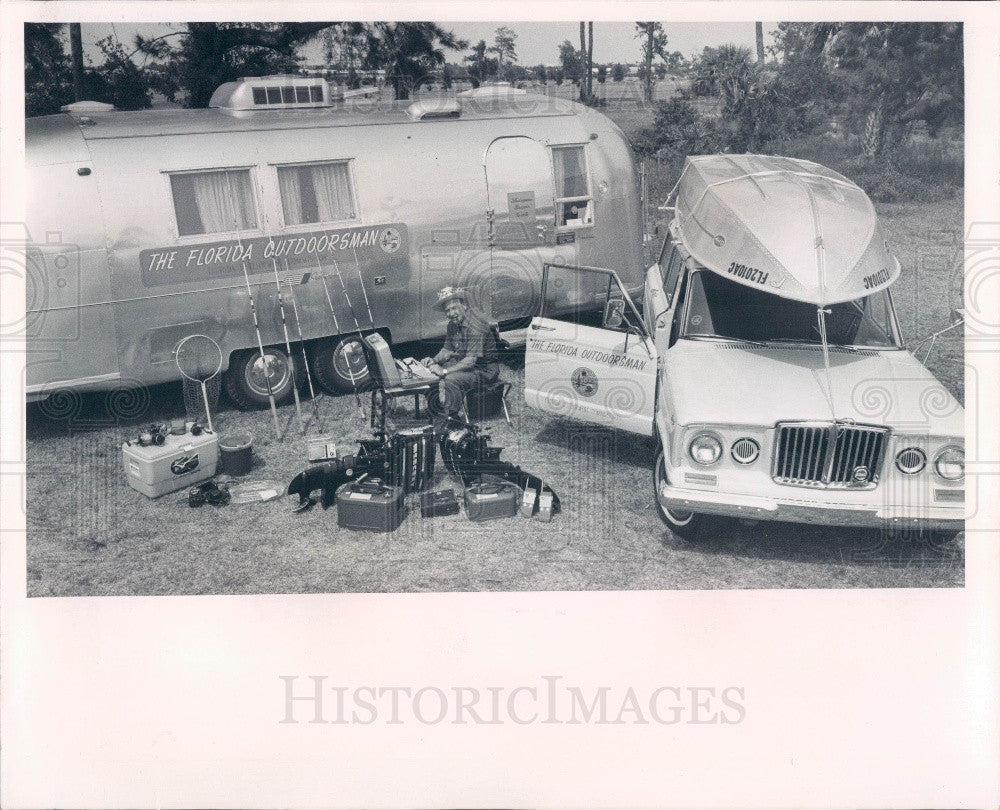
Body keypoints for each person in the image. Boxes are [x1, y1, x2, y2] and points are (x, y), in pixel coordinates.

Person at [422, 286, 499, 435]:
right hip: (469, 367)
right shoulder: (452, 324)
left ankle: (453, 419)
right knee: (429, 373)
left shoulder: (476, 324)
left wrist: (443, 370)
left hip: (484, 370)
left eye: (454, 308)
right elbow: (446, 350)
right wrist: (432, 361)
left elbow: (470, 360)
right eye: (447, 311)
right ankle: (436, 409)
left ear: (464, 305)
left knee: (451, 378)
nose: (451, 314)